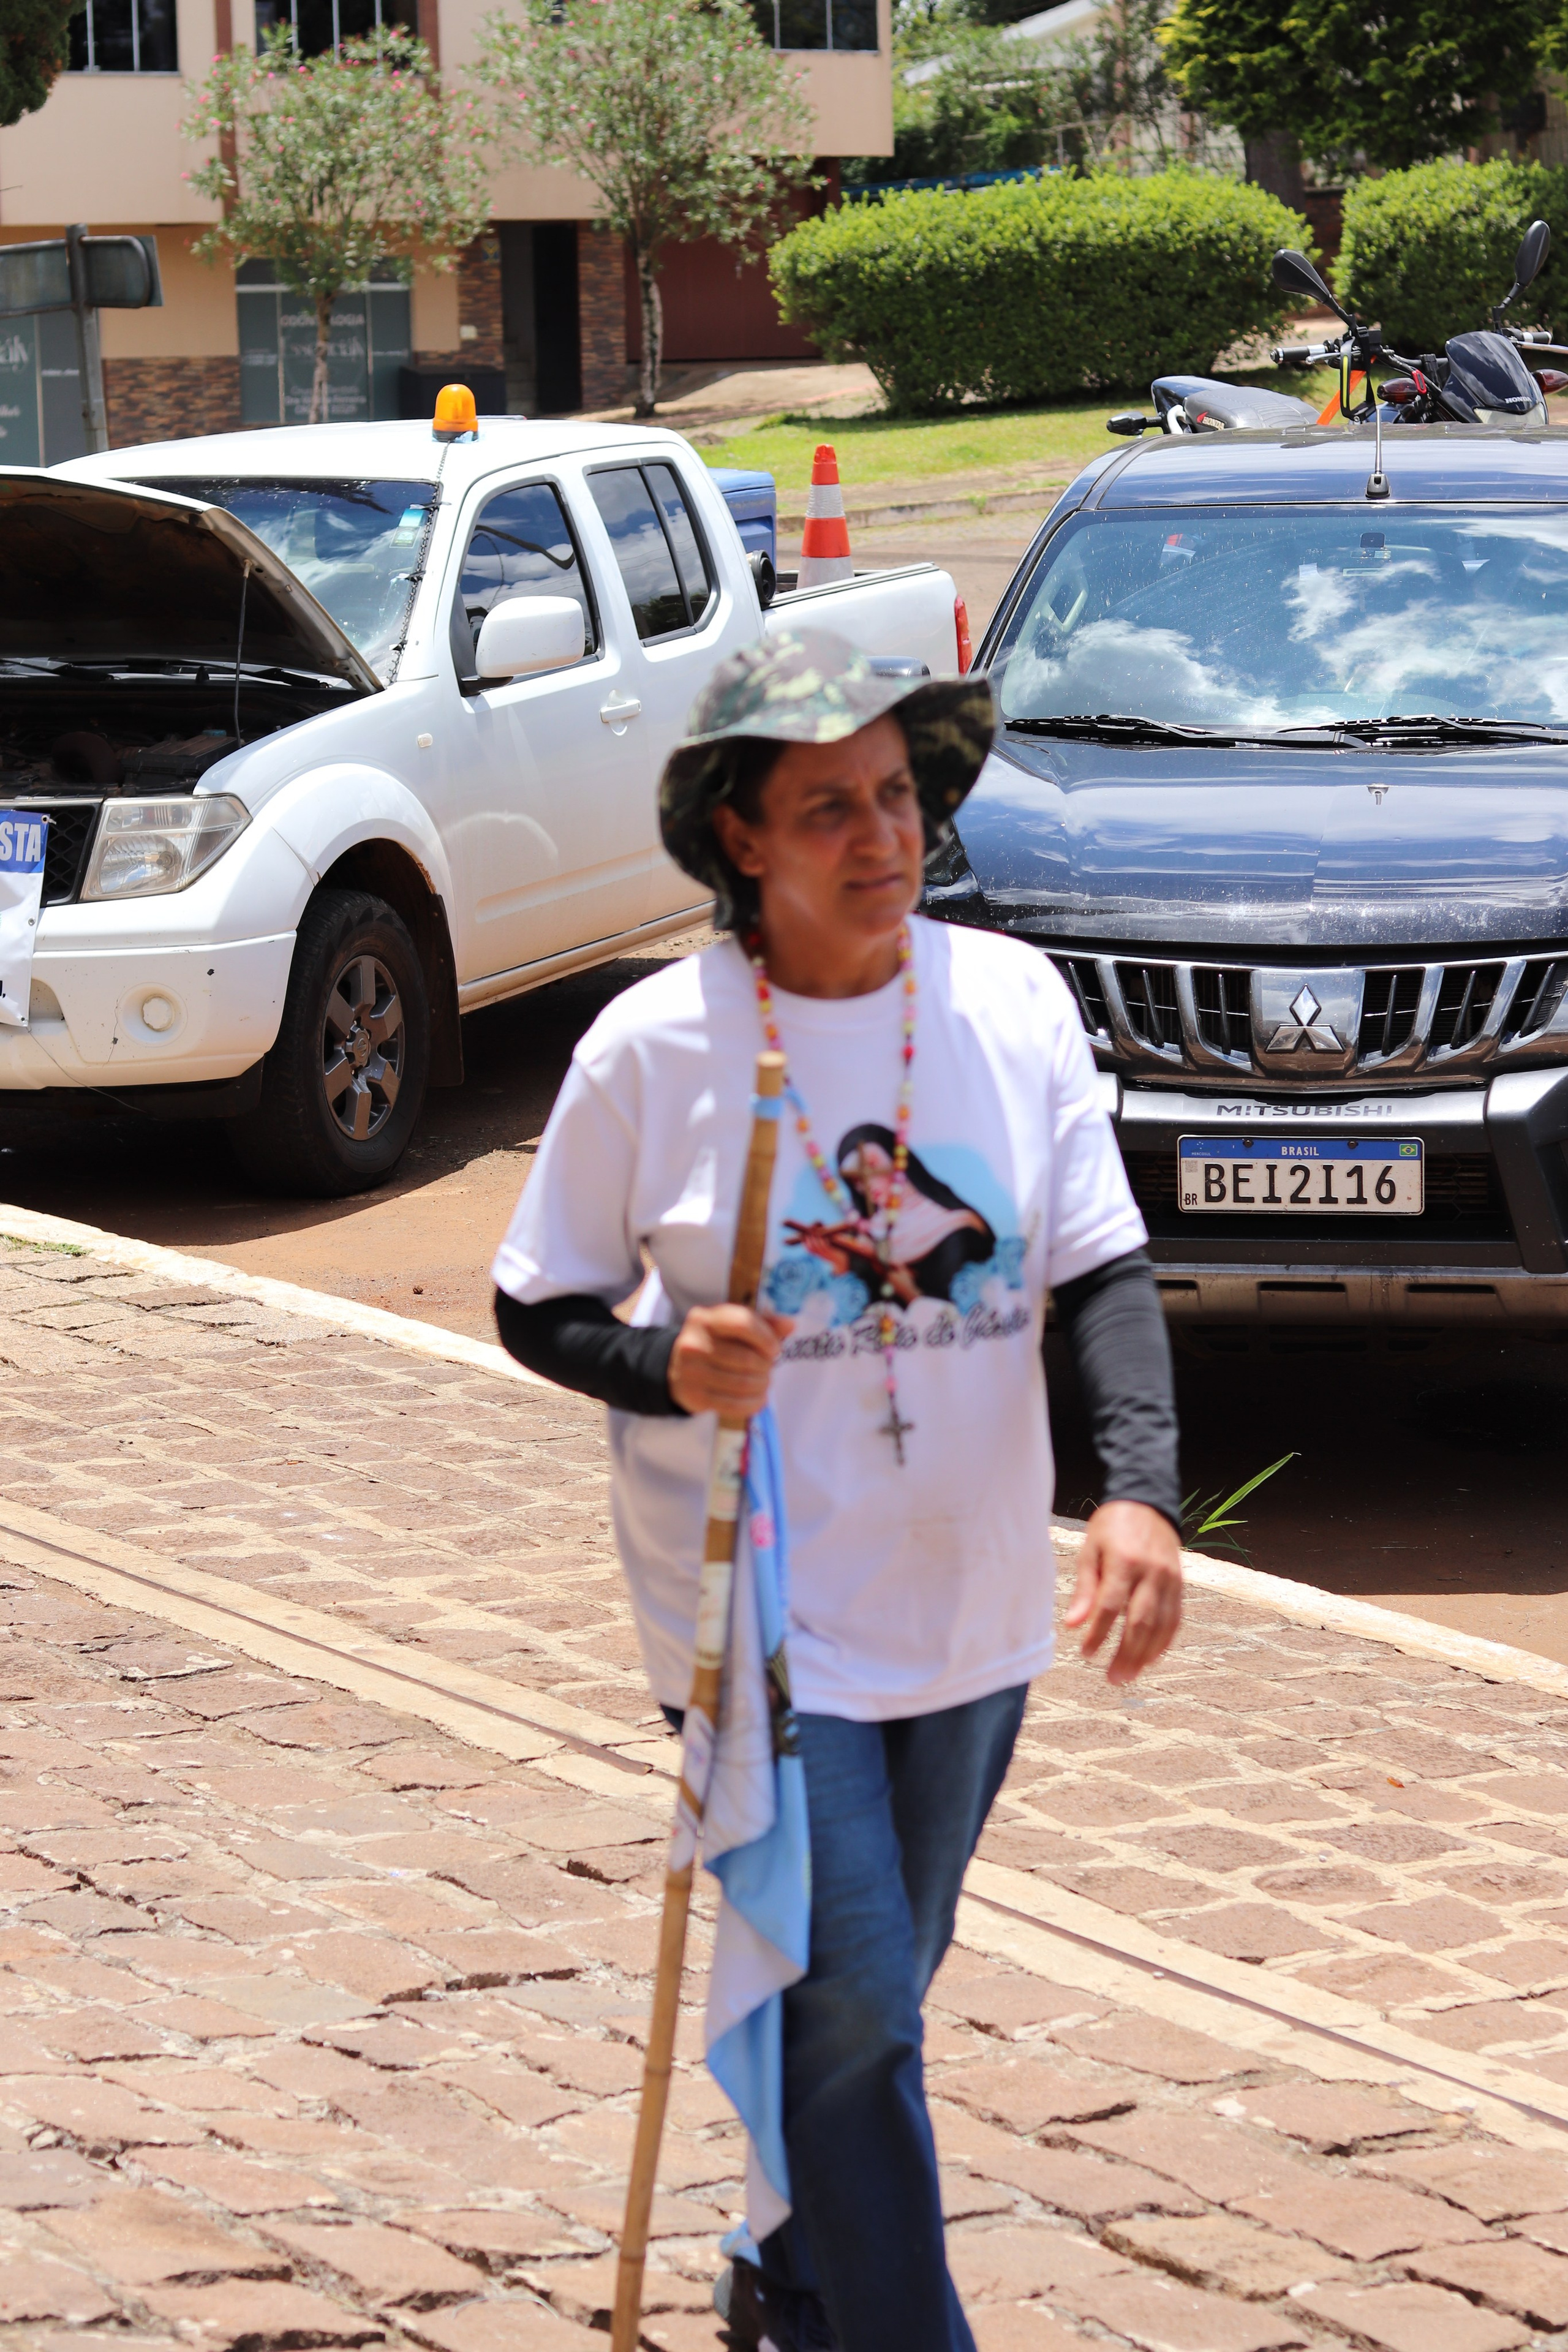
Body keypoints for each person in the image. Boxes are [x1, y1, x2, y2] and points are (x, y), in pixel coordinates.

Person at [492, 630, 1183, 2352]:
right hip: (763, 1618)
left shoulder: (1010, 1000)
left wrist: (1140, 1493)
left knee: (870, 1993)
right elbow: (537, 1295)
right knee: (858, 1989)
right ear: (742, 836)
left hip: (971, 1602)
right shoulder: (656, 1050)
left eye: (898, 798)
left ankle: (783, 2263)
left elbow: (1099, 1270)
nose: (881, 841)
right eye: (827, 811)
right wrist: (665, 1366)